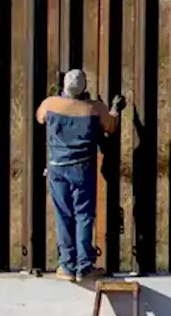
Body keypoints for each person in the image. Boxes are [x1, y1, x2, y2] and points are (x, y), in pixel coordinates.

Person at [35, 69, 125, 280]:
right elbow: (110, 127)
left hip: (57, 167)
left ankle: (66, 265)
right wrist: (114, 109)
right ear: (84, 87)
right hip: (82, 168)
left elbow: (40, 119)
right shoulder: (95, 108)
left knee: (63, 215)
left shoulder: (49, 104)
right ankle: (84, 265)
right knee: (83, 215)